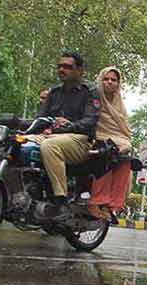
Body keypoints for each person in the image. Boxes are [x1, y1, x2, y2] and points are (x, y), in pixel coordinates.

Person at [32, 51, 101, 221]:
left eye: (68, 67)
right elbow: (40, 118)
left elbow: (90, 121)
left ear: (80, 70)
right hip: (51, 136)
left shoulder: (90, 91)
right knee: (16, 143)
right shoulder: (54, 92)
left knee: (50, 146)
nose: (62, 70)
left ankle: (60, 200)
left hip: (80, 140)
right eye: (60, 66)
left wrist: (68, 125)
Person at [87, 66, 133, 219]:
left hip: (117, 141)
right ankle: (97, 201)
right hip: (93, 137)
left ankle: (113, 205)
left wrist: (123, 143)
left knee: (125, 159)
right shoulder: (92, 99)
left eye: (114, 80)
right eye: (106, 79)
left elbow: (123, 129)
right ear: (100, 81)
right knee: (106, 151)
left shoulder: (120, 104)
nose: (110, 82)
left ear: (118, 83)